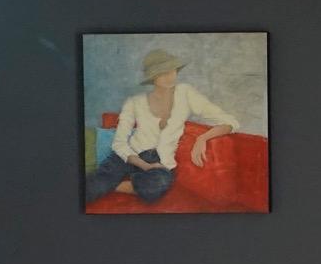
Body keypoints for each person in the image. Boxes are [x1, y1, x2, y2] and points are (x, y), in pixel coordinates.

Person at [87, 48, 239, 205]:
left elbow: (230, 122)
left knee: (158, 183)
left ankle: (110, 186)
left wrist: (203, 138)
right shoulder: (134, 102)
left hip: (162, 162)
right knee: (90, 187)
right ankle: (108, 184)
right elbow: (119, 143)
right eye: (162, 72)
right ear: (152, 77)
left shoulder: (185, 93)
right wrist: (145, 165)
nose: (169, 75)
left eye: (172, 69)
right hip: (129, 155)